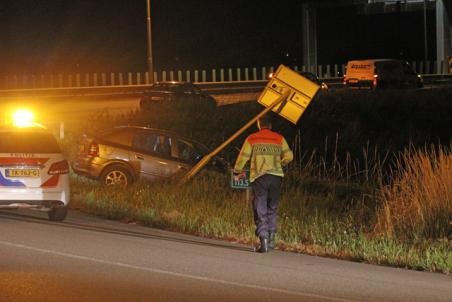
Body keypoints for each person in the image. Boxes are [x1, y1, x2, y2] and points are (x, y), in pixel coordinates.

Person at [233, 114, 293, 253]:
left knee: (260, 208)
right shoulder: (279, 138)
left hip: (260, 177)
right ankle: (271, 240)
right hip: (276, 177)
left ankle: (264, 241)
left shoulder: (252, 138)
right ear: (270, 125)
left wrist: (237, 171)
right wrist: (280, 163)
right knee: (272, 208)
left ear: (259, 125)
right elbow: (290, 156)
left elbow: (243, 157)